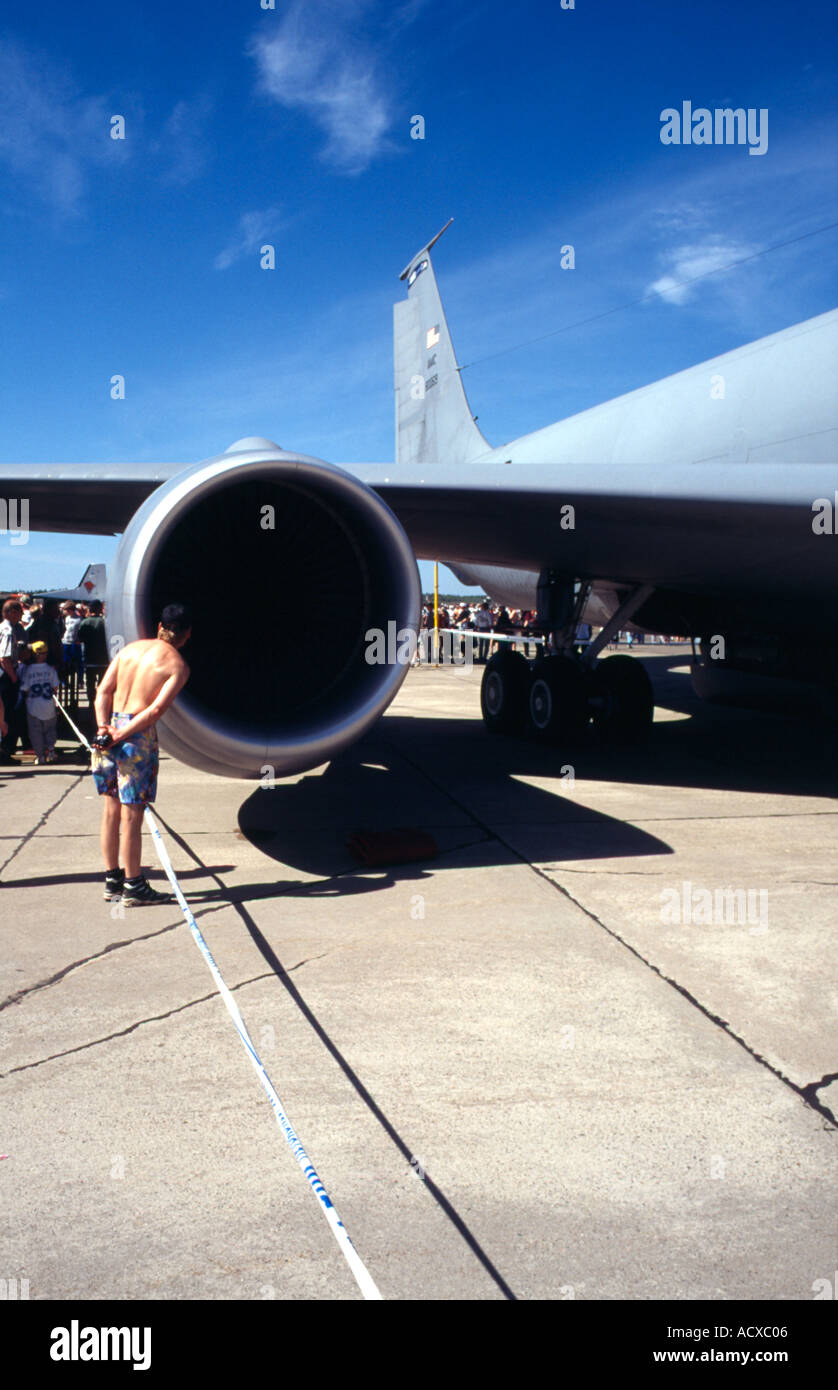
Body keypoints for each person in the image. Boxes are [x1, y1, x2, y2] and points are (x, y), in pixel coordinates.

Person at [92, 603, 192, 906]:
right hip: (136, 737)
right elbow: (156, 710)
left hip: (106, 731)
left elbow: (103, 692)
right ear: (186, 635)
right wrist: (123, 734)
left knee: (110, 809)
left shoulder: (130, 650)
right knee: (132, 814)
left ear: (160, 627)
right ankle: (134, 884)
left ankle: (113, 879)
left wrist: (105, 728)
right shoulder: (177, 665)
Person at [18, 641, 60, 763]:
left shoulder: (28, 670)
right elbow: (55, 687)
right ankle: (51, 750)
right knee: (50, 730)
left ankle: (40, 756)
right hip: (49, 706)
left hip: (33, 707)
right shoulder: (51, 669)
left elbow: (25, 688)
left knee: (35, 733)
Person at [0, 598, 26, 761]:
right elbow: (4, 658)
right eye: (18, 612)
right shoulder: (8, 631)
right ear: (11, 612)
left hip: (6, 674)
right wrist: (14, 678)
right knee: (8, 714)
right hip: (5, 676)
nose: (19, 616)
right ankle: (4, 751)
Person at [77, 600, 109, 716]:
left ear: (90, 610)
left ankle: (91, 705)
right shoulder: (106, 622)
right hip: (104, 660)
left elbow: (79, 639)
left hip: (90, 659)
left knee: (90, 684)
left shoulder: (84, 623)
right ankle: (101, 706)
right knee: (102, 684)